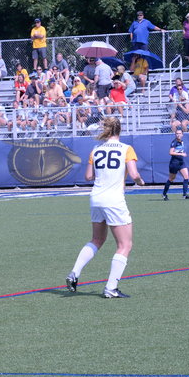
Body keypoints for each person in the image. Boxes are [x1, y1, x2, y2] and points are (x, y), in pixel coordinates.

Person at [65, 117, 145, 298]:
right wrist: (140, 181)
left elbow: (88, 176)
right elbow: (134, 174)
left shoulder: (96, 149)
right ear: (120, 130)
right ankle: (111, 288)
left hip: (96, 198)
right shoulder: (126, 148)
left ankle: (74, 273)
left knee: (97, 239)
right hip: (114, 200)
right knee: (125, 245)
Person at [162, 130, 189, 201]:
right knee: (171, 179)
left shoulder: (182, 142)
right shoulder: (174, 142)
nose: (178, 135)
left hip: (181, 162)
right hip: (174, 163)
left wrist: (182, 153)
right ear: (175, 135)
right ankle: (164, 194)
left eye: (180, 133)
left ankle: (184, 195)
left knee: (186, 177)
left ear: (182, 134)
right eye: (177, 133)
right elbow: (171, 152)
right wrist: (181, 154)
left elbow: (179, 150)